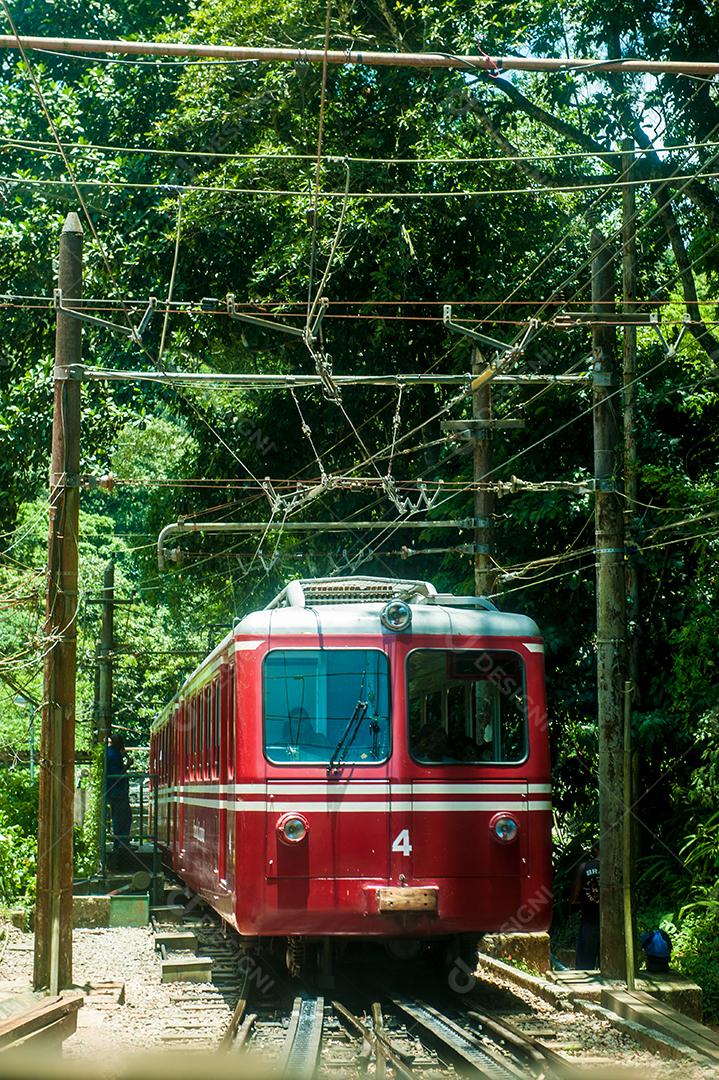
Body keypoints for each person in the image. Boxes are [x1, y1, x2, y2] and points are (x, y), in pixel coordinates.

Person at [571, 839, 600, 969]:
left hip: (589, 919)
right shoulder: (613, 867)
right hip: (610, 920)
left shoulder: (584, 867)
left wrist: (574, 902)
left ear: (594, 850)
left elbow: (575, 896)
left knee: (584, 963)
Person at [106, 734, 132, 864]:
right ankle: (122, 843)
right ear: (119, 743)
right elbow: (117, 775)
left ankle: (120, 843)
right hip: (117, 792)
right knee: (124, 817)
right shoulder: (115, 755)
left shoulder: (110, 752)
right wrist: (127, 765)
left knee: (118, 817)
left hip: (112, 792)